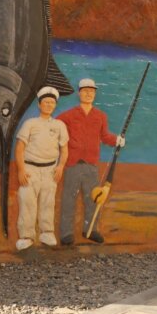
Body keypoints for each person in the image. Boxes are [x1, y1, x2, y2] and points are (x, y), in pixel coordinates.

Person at [56, 77, 124, 245]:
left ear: (95, 94)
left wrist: (117, 140)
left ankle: (91, 229)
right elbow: (55, 127)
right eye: (85, 91)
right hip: (72, 163)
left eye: (92, 92)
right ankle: (66, 234)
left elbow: (105, 136)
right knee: (68, 199)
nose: (89, 94)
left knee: (92, 199)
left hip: (91, 165)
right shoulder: (69, 114)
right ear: (79, 93)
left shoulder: (100, 116)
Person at [13, 86, 69, 250]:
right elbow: (19, 149)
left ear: (55, 105)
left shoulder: (59, 125)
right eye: (46, 102)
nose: (49, 105)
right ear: (39, 105)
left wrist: (60, 167)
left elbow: (64, 150)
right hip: (30, 169)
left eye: (52, 103)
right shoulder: (30, 123)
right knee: (27, 202)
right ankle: (26, 236)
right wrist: (21, 170)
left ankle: (47, 233)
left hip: (50, 170)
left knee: (48, 202)